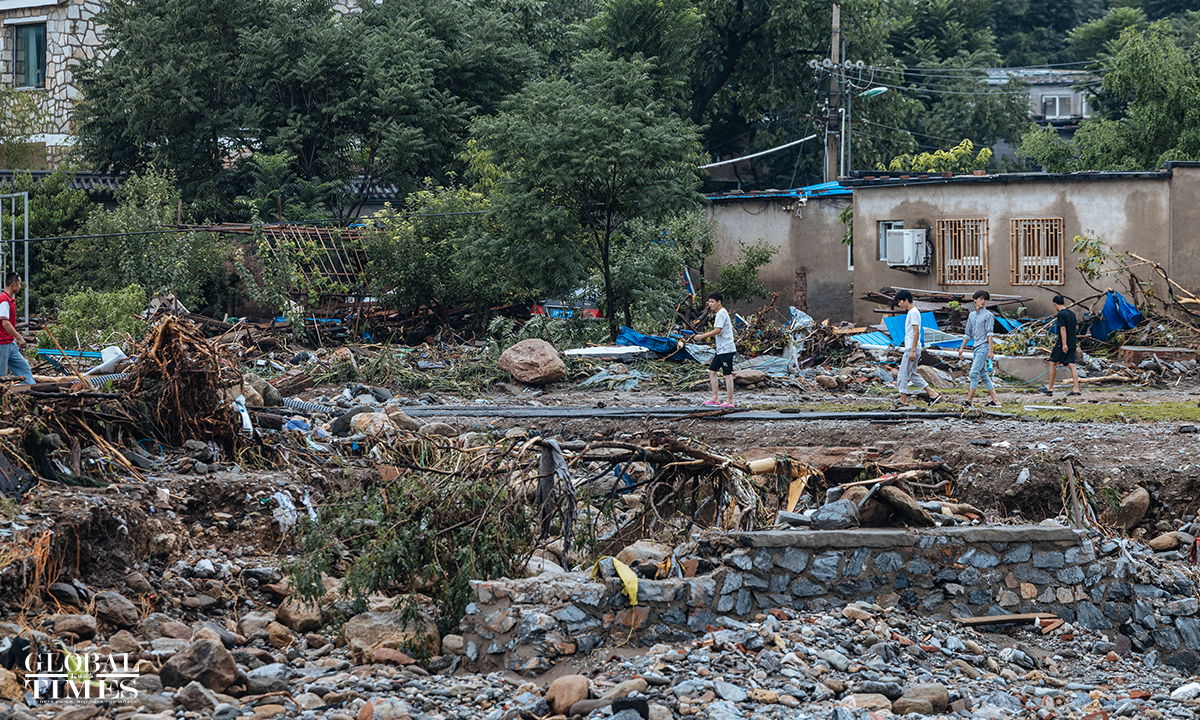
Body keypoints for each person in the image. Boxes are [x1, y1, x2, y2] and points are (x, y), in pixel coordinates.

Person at [895, 289, 941, 407]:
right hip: (912, 347)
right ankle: (933, 394)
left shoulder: (913, 312)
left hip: (912, 347)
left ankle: (903, 401)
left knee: (902, 374)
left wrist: (913, 350)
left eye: (900, 301)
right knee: (912, 374)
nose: (899, 304)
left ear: (906, 300)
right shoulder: (912, 312)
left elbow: (916, 332)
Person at [957, 290, 1001, 407]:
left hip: (984, 346)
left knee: (973, 373)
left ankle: (969, 401)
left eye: (985, 299)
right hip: (975, 347)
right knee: (984, 375)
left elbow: (990, 334)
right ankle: (995, 401)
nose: (983, 301)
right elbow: (968, 333)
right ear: (975, 300)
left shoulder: (988, 315)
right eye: (980, 299)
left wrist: (991, 351)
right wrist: (961, 348)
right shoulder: (971, 315)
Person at [693, 291, 736, 407]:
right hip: (721, 350)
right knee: (711, 371)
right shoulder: (721, 313)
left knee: (727, 374)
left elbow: (718, 330)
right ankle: (715, 398)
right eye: (709, 302)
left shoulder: (721, 313)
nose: (710, 304)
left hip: (726, 349)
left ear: (719, 302)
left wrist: (702, 336)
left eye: (712, 302)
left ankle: (730, 401)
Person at [1041, 295, 1081, 397]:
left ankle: (1050, 388)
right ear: (1064, 302)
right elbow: (1076, 327)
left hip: (1062, 343)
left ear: (1055, 304)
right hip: (1072, 342)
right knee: (1072, 364)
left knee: (1052, 362)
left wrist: (1064, 344)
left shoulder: (1061, 314)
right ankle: (1076, 389)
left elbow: (1062, 329)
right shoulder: (1071, 313)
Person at [0, 273, 34, 385]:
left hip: (10, 343)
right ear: (13, 284)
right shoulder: (4, 301)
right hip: (2, 343)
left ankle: (31, 390)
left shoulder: (9, 300)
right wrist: (19, 337)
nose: (20, 286)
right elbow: (5, 323)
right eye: (19, 284)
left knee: (24, 367)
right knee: (1, 375)